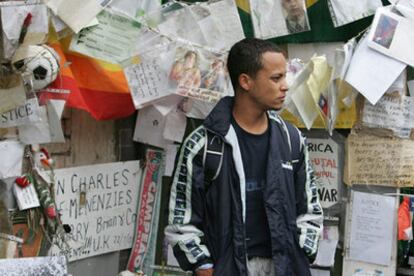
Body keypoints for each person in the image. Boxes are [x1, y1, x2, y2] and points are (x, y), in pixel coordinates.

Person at [165, 38, 323, 276]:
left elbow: (310, 209)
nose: (285, 86)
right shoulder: (205, 144)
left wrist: (302, 254)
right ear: (245, 81)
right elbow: (182, 220)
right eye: (276, 78)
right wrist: (204, 267)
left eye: (284, 76)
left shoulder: (291, 140)